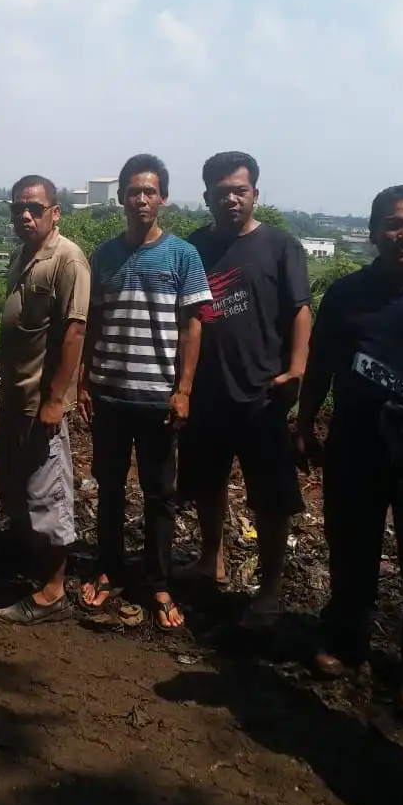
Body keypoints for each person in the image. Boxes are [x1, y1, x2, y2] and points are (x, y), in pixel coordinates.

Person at [296, 185, 403, 715]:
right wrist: (306, 422)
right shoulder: (346, 294)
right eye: (392, 224)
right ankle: (346, 639)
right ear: (373, 231)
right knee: (351, 545)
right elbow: (320, 363)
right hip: (356, 443)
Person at [176, 152, 311, 625]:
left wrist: (296, 370)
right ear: (207, 195)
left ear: (255, 193)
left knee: (271, 497)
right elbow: (184, 317)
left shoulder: (280, 246)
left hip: (262, 394)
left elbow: (299, 310)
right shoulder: (192, 248)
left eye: (240, 190)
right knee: (205, 483)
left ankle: (269, 588)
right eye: (220, 191)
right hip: (206, 392)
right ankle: (210, 557)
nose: (230, 198)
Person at [78, 154, 211, 630]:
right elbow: (93, 320)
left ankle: (158, 580)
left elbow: (193, 325)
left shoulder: (183, 256)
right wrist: (83, 381)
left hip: (158, 397)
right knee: (110, 488)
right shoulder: (105, 255)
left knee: (160, 495)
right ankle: (109, 567)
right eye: (133, 191)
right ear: (120, 198)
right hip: (110, 395)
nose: (141, 199)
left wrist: (184, 390)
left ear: (164, 199)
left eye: (149, 191)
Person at [0, 175, 90, 625]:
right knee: (14, 484)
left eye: (34, 208)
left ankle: (53, 593)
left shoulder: (67, 259)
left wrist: (56, 400)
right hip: (13, 397)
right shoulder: (21, 255)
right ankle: (30, 567)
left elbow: (74, 332)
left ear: (55, 212)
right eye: (17, 209)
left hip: (40, 403)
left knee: (47, 494)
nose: (24, 216)